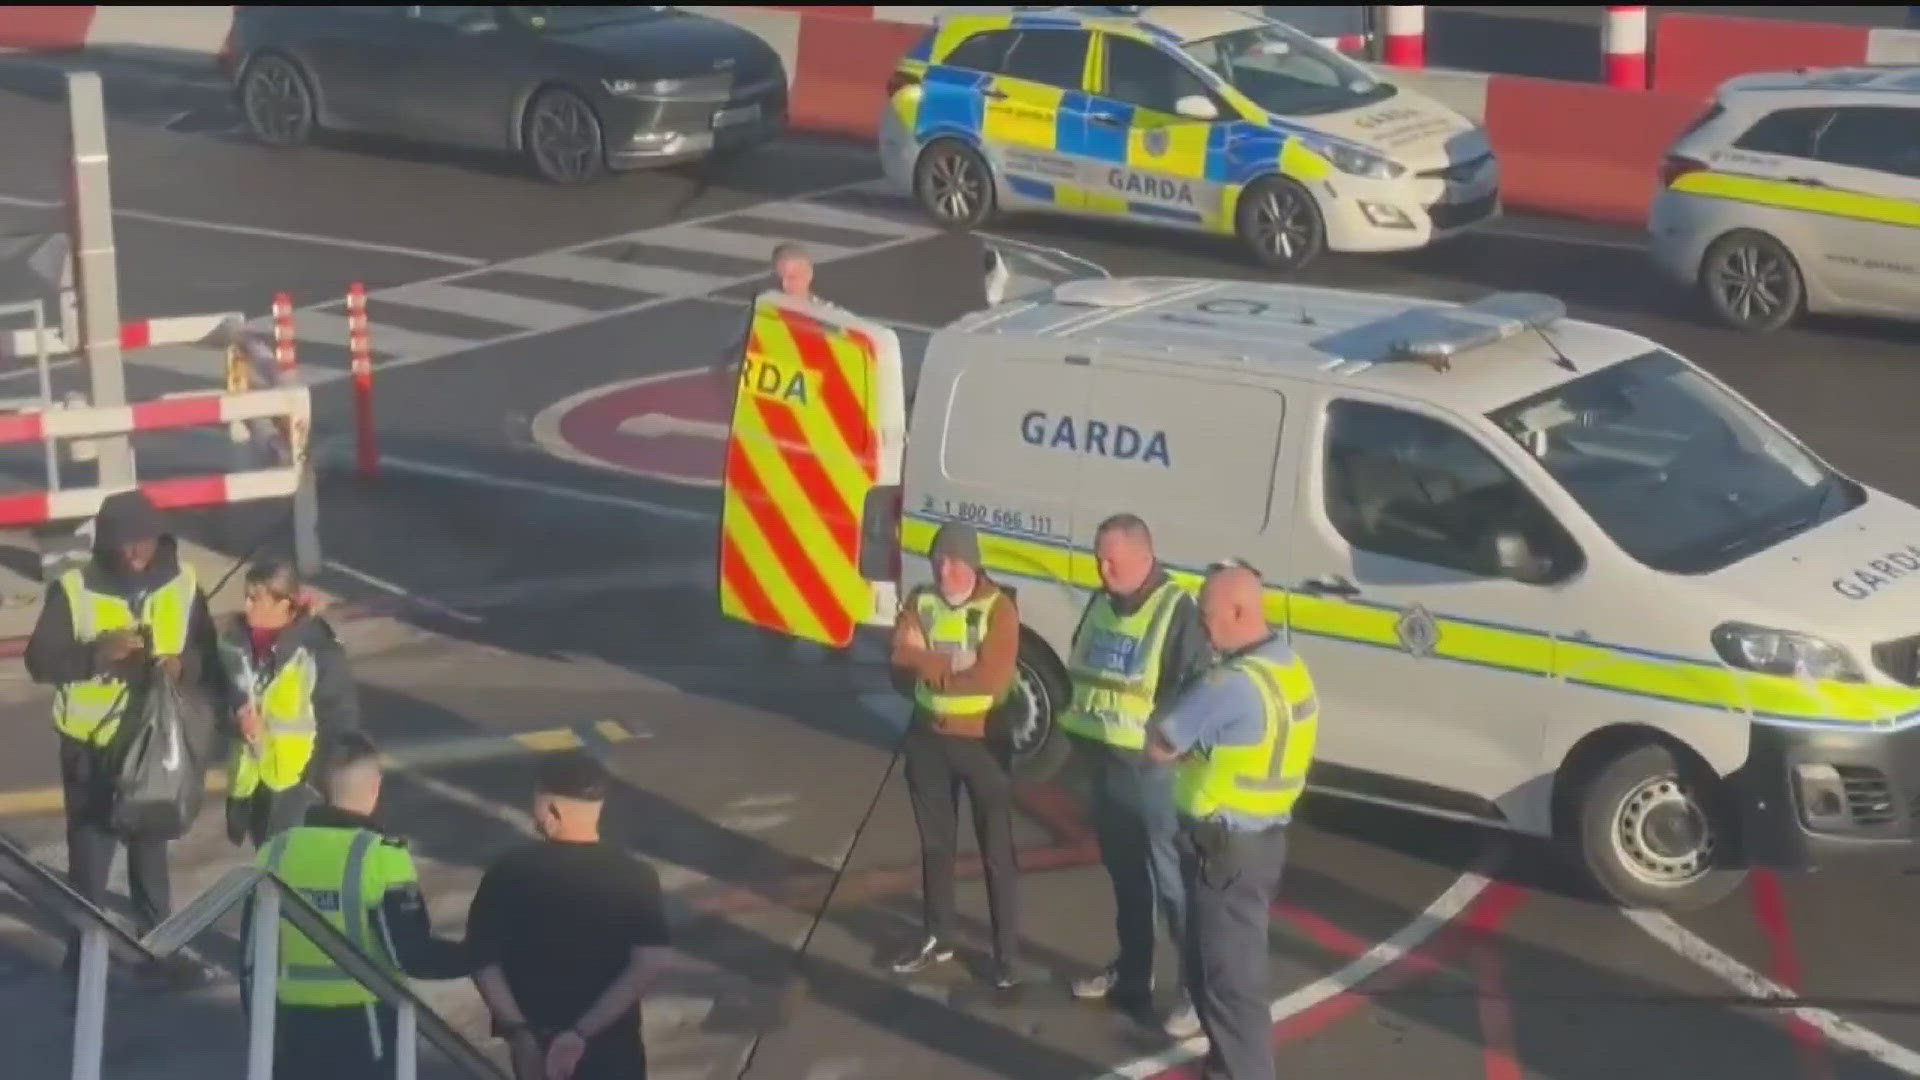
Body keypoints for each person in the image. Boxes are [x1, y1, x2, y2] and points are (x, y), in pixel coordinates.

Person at [24, 489, 229, 991]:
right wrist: (99, 653)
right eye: (124, 543)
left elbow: (208, 659)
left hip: (154, 739)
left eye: (142, 541)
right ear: (105, 544)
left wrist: (184, 666)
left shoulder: (184, 584)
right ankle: (83, 959)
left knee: (150, 849)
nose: (135, 552)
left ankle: (158, 950)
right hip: (91, 746)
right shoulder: (73, 589)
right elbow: (40, 661)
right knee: (90, 858)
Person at [1146, 561, 1320, 1080]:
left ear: (1239, 612)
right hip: (1260, 843)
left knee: (1228, 988)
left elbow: (1160, 742)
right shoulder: (1288, 665)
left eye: (1207, 616)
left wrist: (1182, 728)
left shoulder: (1228, 684)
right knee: (1216, 978)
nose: (1202, 628)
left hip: (1223, 851)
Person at [244, 732, 471, 1080]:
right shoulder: (381, 857)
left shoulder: (274, 851)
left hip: (291, 1025)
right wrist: (480, 954)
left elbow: (251, 957)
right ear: (375, 787)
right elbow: (412, 956)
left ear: (319, 787)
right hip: (365, 1024)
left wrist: (265, 1027)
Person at [1061, 514, 1212, 1034]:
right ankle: (1133, 972)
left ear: (1144, 555)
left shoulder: (1177, 611)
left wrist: (1162, 743)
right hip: (1104, 761)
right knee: (1127, 878)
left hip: (1152, 772)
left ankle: (1195, 991)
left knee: (1172, 885)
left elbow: (1193, 687)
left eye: (1112, 559)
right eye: (1099, 558)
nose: (1102, 569)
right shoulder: (1102, 601)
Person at [468, 751, 671, 1080]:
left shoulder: (509, 872)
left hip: (537, 1046)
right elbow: (650, 961)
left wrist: (520, 1033)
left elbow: (481, 959)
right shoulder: (636, 874)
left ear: (552, 810)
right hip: (614, 1047)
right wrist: (581, 1033)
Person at [885, 521, 1025, 991]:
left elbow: (990, 677)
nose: (946, 570)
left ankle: (1006, 955)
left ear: (974, 564)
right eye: (940, 560)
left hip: (983, 742)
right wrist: (952, 665)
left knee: (996, 851)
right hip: (928, 738)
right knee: (935, 843)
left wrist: (928, 662)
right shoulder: (921, 600)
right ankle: (937, 934)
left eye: (956, 561)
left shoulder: (998, 609)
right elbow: (898, 668)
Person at [219, 558, 360, 848]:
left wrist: (314, 785)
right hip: (252, 783)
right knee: (266, 868)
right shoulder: (234, 645)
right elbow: (218, 699)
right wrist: (236, 721)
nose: (246, 606)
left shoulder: (317, 650)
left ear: (284, 604)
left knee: (288, 878)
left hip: (296, 788)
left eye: (255, 599)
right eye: (246, 597)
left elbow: (339, 723)